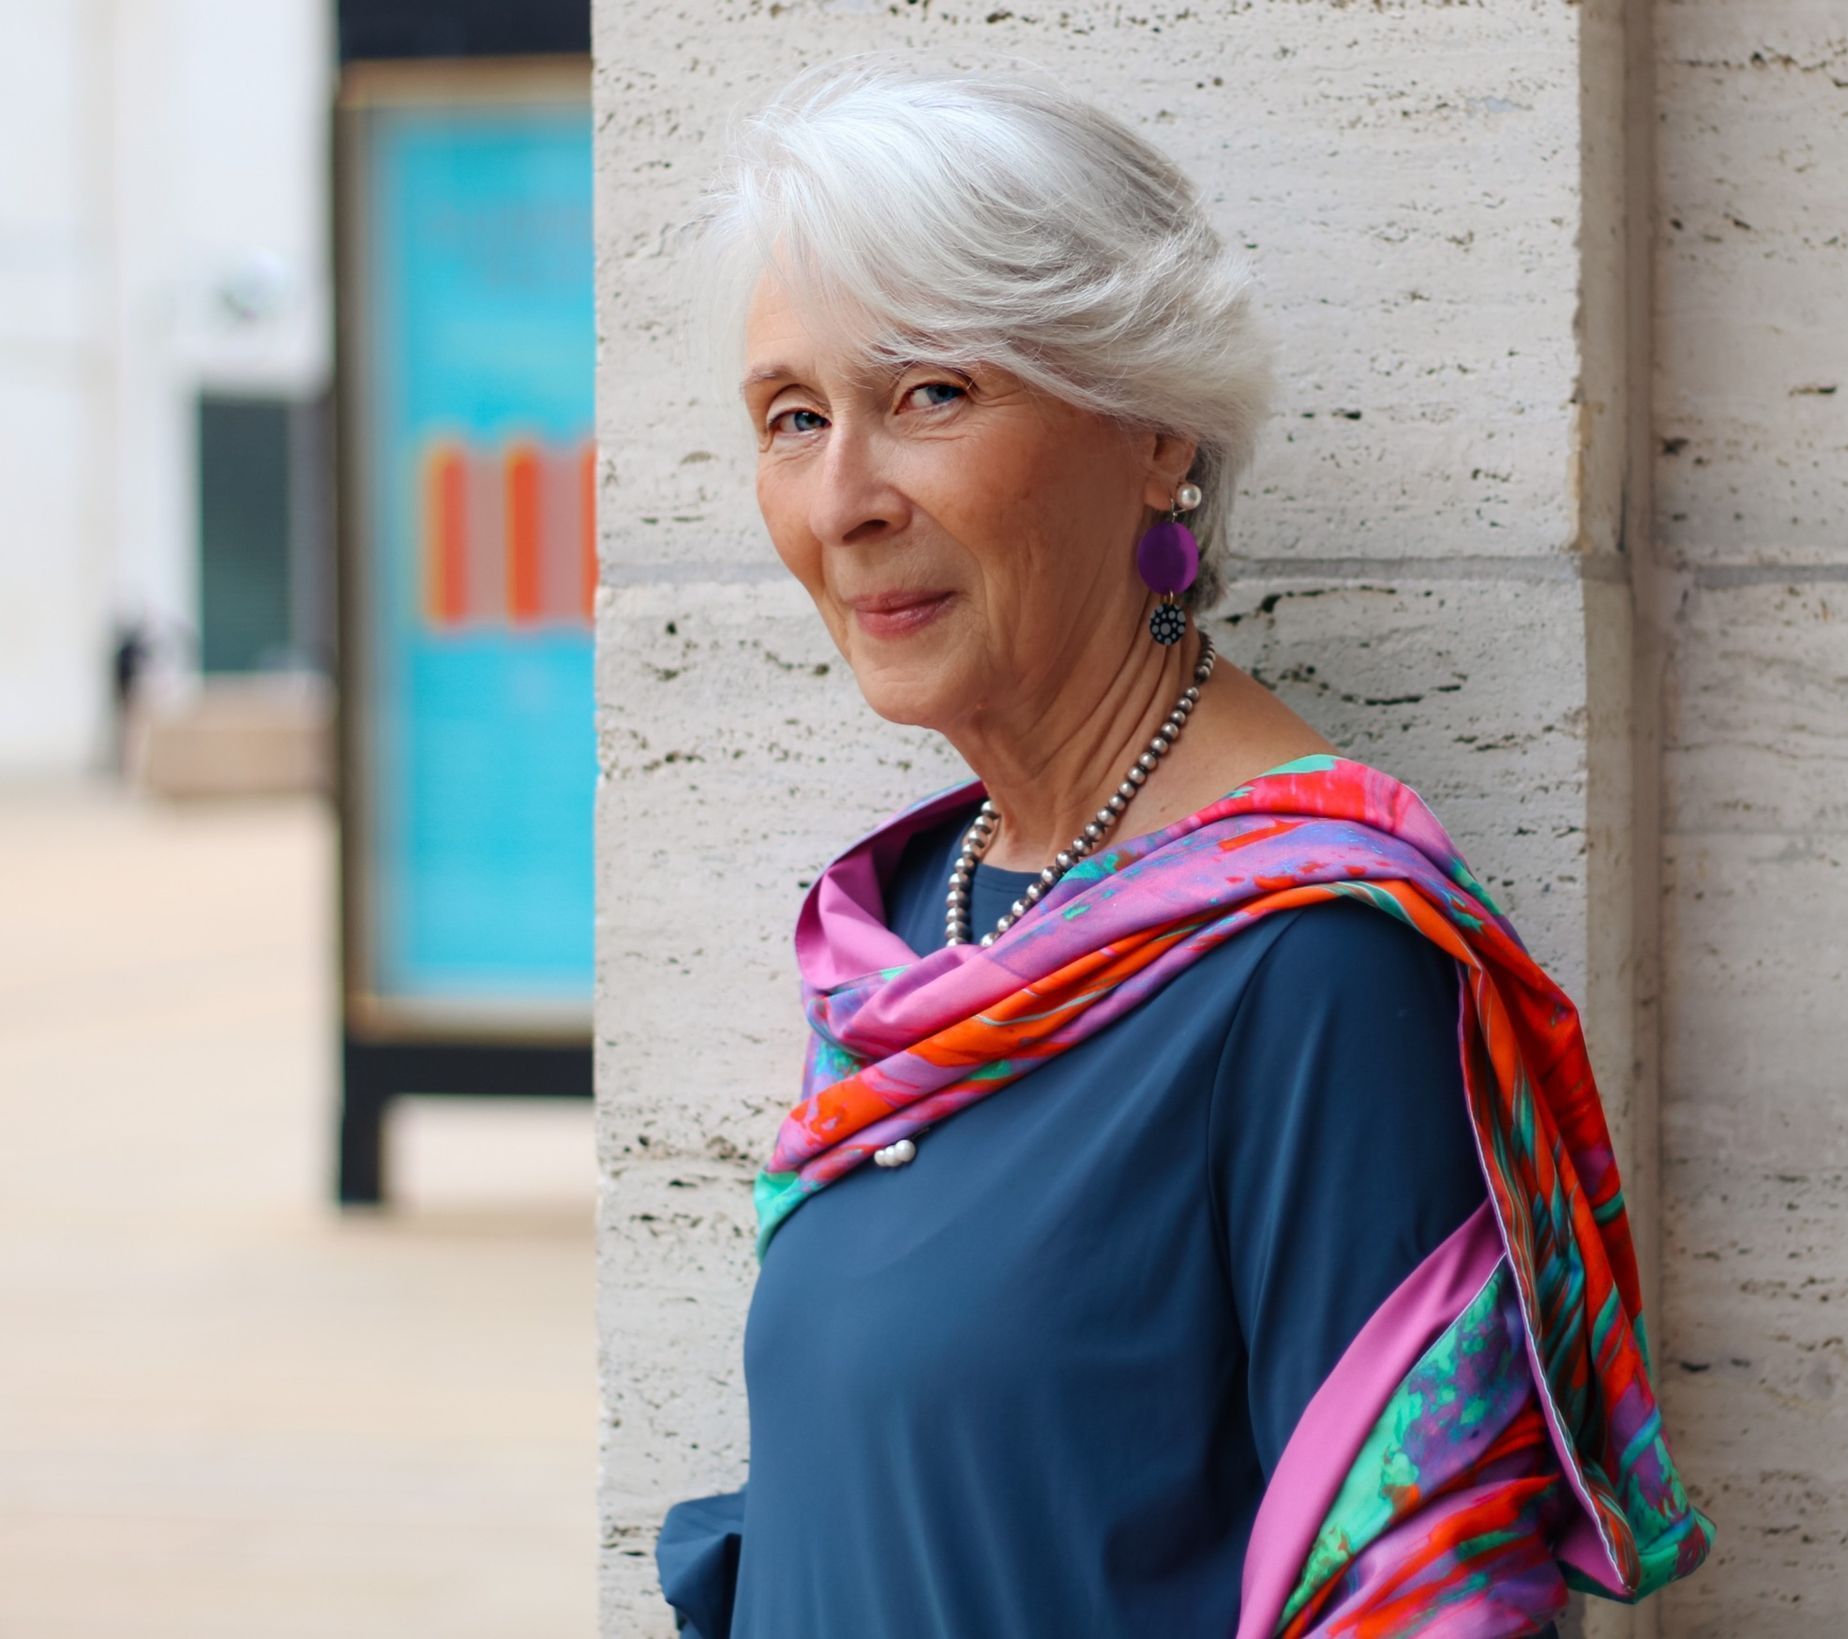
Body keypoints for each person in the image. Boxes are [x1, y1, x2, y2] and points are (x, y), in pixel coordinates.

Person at [651, 53, 1714, 1638]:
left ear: (1156, 433)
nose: (843, 496)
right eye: (792, 417)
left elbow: (1415, 1604)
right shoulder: (913, 929)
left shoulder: (1309, 966)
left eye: (930, 393)